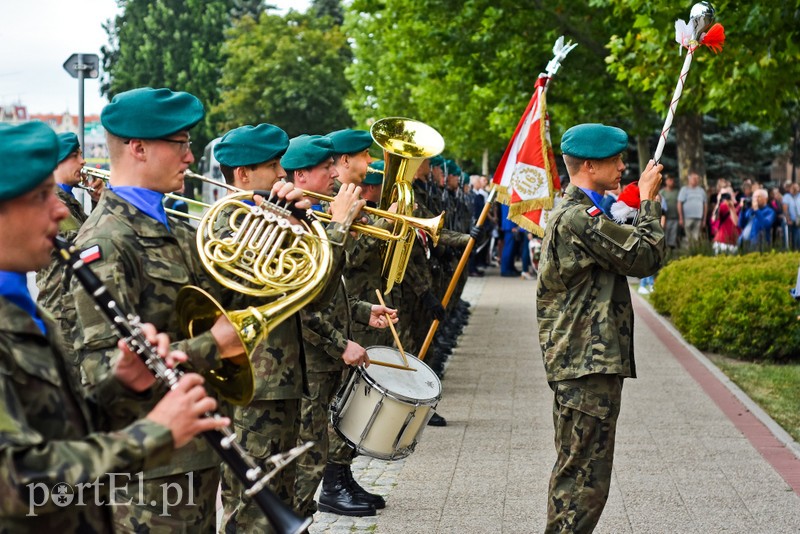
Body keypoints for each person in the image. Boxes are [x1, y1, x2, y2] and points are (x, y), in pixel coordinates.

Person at [0, 121, 229, 531]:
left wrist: (122, 385)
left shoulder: (25, 313)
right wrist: (154, 434)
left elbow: (63, 433)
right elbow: (17, 484)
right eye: (40, 197)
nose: (60, 211)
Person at [69, 87, 246, 532]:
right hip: (154, 470)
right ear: (139, 148)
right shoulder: (106, 240)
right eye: (180, 143)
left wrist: (285, 223)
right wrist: (212, 346)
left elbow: (230, 308)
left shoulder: (179, 229)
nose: (190, 157)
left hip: (199, 445)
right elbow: (102, 369)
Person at [536, 123, 665, 532]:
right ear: (590, 165)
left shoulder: (581, 211)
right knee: (583, 483)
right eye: (616, 159)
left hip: (584, 364)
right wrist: (648, 202)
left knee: (579, 476)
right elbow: (644, 257)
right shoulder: (579, 217)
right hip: (585, 366)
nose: (624, 165)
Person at [282, 134, 397, 518]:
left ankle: (310, 510)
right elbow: (303, 300)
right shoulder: (293, 222)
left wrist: (363, 312)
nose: (335, 173)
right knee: (305, 458)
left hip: (321, 355)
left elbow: (333, 290)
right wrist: (340, 342)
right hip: (308, 358)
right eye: (325, 168)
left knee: (316, 450)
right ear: (301, 175)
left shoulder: (313, 216)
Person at [36, 132, 104, 349]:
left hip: (71, 309)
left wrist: (97, 203)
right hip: (61, 313)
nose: (83, 161)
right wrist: (108, 204)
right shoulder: (52, 203)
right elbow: (82, 245)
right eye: (75, 155)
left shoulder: (68, 200)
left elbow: (92, 239)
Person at [739, 188, 776, 252]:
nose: (755, 199)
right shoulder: (750, 210)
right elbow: (741, 224)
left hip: (759, 244)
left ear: (766, 199)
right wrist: (742, 210)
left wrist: (757, 210)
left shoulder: (770, 212)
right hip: (744, 243)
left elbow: (765, 225)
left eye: (758, 197)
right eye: (754, 197)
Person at [677, 171, 707, 247]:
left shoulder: (701, 190)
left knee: (696, 237)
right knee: (688, 237)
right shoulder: (684, 190)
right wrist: (681, 217)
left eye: (697, 178)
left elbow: (705, 205)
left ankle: (694, 253)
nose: (695, 180)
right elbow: (679, 203)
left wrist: (704, 219)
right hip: (687, 218)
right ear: (689, 179)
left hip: (698, 217)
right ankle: (687, 253)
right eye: (694, 178)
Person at [659, 173, 680, 249]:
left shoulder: (677, 192)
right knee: (665, 237)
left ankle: (672, 252)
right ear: (666, 181)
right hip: (665, 219)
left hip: (675, 218)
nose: (672, 182)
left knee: (673, 238)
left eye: (672, 180)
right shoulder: (662, 193)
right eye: (670, 180)